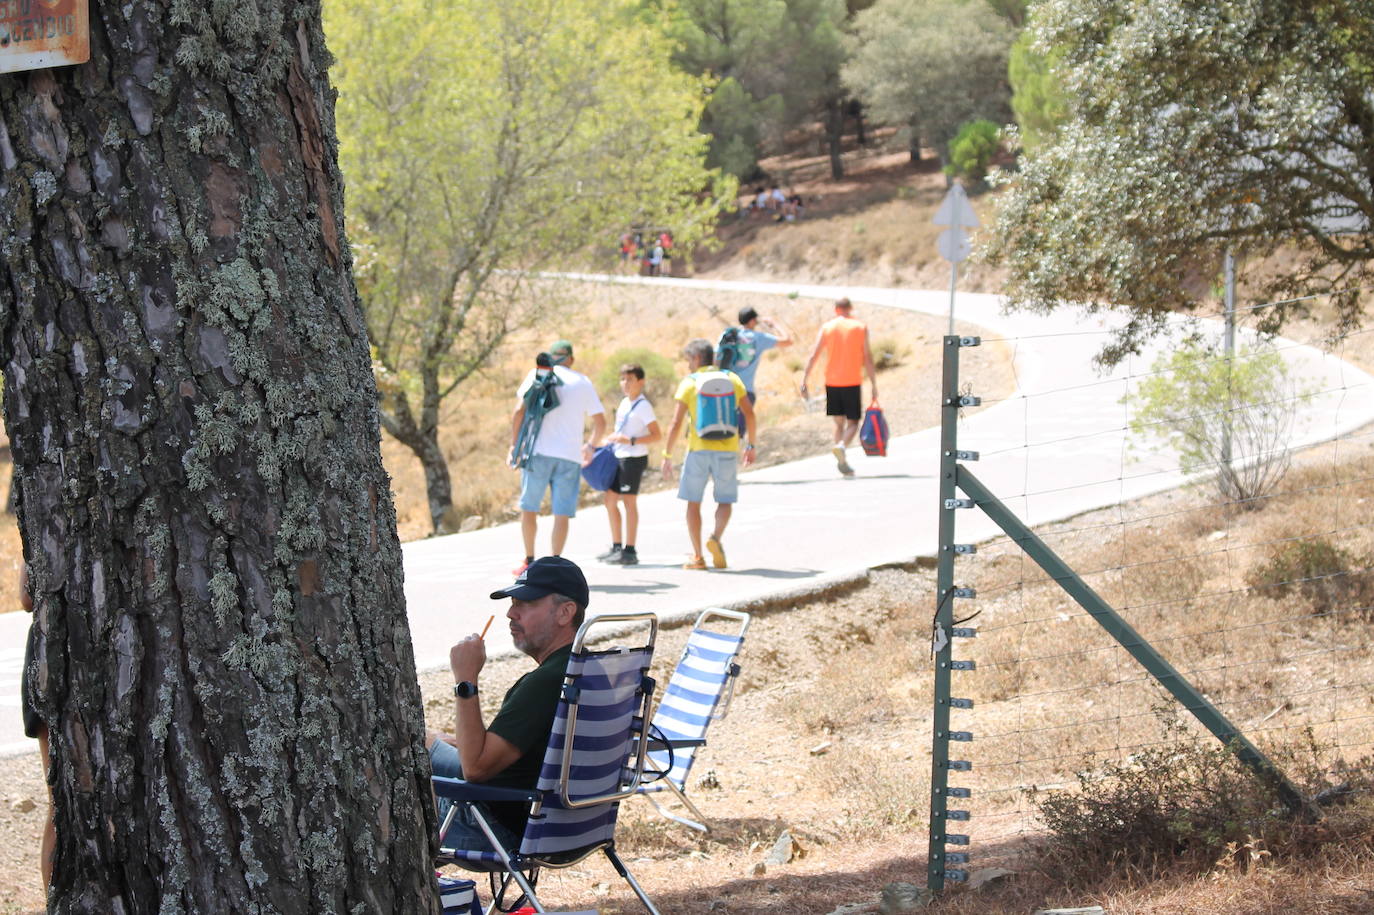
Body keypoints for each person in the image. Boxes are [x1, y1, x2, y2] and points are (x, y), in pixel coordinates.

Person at [426, 556, 589, 852]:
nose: (511, 614)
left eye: (525, 604)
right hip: (576, 827)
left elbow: (475, 769)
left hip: (499, 826)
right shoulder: (593, 671)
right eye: (512, 603)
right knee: (429, 740)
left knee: (403, 755)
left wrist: (465, 679)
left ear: (565, 612)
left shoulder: (548, 683)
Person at [509, 341, 606, 575]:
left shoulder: (538, 374)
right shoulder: (583, 382)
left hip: (538, 452)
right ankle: (554, 562)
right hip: (570, 456)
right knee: (561, 512)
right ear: (571, 359)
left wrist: (514, 445)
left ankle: (529, 561)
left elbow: (518, 411)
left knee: (529, 507)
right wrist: (590, 447)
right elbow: (600, 423)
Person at [661, 339, 757, 570]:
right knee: (724, 500)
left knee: (693, 503)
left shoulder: (690, 383)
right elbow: (749, 414)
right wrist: (750, 445)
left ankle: (697, 556)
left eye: (688, 360)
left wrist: (667, 454)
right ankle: (715, 537)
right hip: (727, 450)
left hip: (698, 450)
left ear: (696, 359)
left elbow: (675, 422)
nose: (687, 366)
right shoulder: (732, 379)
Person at [800, 297, 879, 477]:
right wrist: (874, 383)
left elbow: (814, 354)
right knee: (853, 422)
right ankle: (841, 446)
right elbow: (867, 357)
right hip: (852, 381)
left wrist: (804, 378)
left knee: (838, 423)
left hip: (832, 382)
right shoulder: (859, 327)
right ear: (850, 308)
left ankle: (841, 458)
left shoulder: (827, 327)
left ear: (836, 309)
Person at [597, 364, 661, 566]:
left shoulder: (644, 406)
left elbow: (656, 435)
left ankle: (630, 550)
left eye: (630, 379)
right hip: (619, 455)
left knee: (629, 502)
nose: (625, 383)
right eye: (622, 379)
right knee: (610, 500)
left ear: (640, 381)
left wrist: (630, 440)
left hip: (634, 458)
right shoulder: (625, 403)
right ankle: (617, 546)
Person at [19, 564, 54, 888]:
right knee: (60, 805)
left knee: (57, 807)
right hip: (46, 664)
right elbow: (26, 599)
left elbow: (25, 596)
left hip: (45, 657)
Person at [730, 306, 792, 438]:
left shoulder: (730, 336)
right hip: (745, 391)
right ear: (752, 321)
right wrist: (774, 325)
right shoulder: (759, 338)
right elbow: (787, 340)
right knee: (738, 434)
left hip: (725, 390)